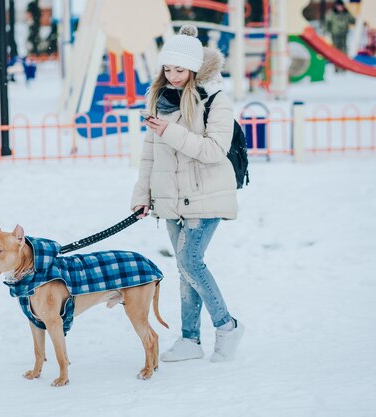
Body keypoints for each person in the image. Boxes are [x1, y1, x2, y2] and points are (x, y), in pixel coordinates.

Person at [130, 25, 244, 363]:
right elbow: (150, 153)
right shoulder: (159, 99)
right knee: (184, 268)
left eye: (180, 69)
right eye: (168, 68)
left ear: (194, 68)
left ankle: (227, 326)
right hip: (170, 199)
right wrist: (142, 195)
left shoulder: (216, 100)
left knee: (191, 261)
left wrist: (172, 132)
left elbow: (213, 151)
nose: (173, 75)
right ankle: (191, 340)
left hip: (206, 195)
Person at [325, 0, 356, 71]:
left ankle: (344, 65)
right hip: (335, 34)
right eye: (338, 6)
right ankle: (336, 66)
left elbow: (353, 20)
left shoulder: (346, 13)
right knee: (336, 50)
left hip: (344, 34)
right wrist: (326, 31)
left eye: (341, 6)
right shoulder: (332, 13)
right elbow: (327, 22)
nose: (340, 8)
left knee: (344, 50)